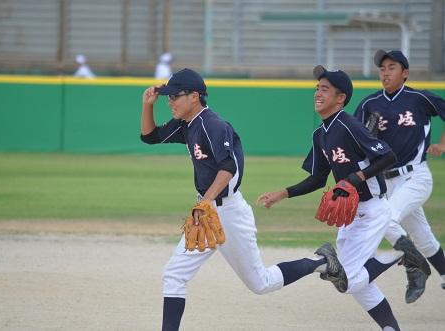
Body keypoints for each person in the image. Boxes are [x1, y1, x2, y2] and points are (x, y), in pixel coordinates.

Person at [141, 68, 351, 331]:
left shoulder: (213, 125)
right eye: (167, 97)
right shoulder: (188, 125)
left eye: (174, 96)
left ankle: (321, 262)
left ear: (194, 96)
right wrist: (147, 105)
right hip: (206, 210)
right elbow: (150, 137)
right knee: (174, 274)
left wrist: (204, 202)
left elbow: (228, 168)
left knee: (260, 283)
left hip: (228, 213)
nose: (169, 101)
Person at [257, 65, 430, 330]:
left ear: (340, 98)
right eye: (317, 88)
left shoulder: (349, 125)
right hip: (349, 214)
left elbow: (388, 156)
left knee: (345, 278)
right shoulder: (320, 134)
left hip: (372, 210)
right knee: (357, 284)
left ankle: (401, 255)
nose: (318, 93)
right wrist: (283, 193)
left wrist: (356, 178)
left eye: (325, 89)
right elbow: (317, 179)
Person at [354, 49, 445, 301]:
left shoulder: (419, 99)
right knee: (423, 238)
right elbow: (356, 141)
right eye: (382, 68)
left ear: (405, 73)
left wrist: (443, 144)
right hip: (386, 183)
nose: (385, 72)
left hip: (415, 177)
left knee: (385, 220)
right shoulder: (369, 104)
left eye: (391, 67)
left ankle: (416, 268)